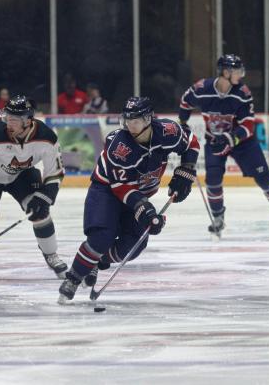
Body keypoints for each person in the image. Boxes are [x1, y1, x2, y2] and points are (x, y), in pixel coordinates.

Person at [58, 97, 200, 303]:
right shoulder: (120, 146)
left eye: (135, 121)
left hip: (139, 194)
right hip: (107, 190)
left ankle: (96, 262)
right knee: (101, 237)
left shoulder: (168, 131)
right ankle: (74, 277)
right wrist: (144, 208)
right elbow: (121, 187)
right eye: (127, 121)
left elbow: (192, 143)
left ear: (148, 118)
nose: (130, 126)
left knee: (133, 246)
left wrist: (186, 170)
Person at [178, 54, 269, 236]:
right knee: (212, 181)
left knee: (264, 178)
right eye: (237, 71)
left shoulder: (242, 92)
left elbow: (248, 126)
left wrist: (230, 138)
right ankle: (218, 217)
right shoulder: (202, 88)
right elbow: (185, 102)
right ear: (226, 72)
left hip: (242, 142)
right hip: (214, 141)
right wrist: (182, 123)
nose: (240, 75)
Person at [0, 95, 68, 279]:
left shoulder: (47, 138)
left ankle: (51, 254)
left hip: (23, 175)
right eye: (7, 117)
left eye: (14, 119)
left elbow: (54, 172)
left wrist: (45, 197)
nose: (9, 123)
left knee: (40, 213)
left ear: (28, 120)